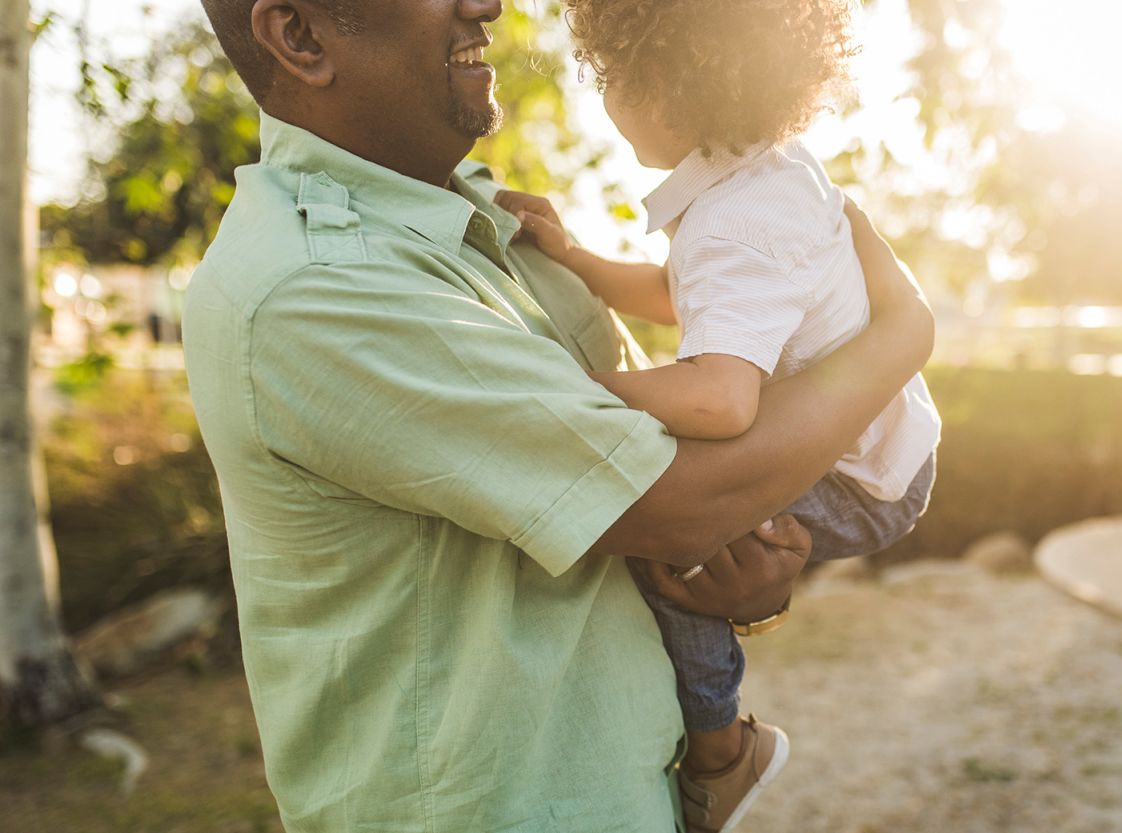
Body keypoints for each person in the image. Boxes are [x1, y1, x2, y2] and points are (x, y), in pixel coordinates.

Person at [183, 1, 934, 832]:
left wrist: (744, 574)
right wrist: (901, 339)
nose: (487, 5)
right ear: (299, 36)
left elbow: (686, 447)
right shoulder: (319, 286)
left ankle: (719, 746)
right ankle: (724, 749)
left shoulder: (487, 217)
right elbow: (682, 497)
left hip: (620, 790)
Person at [494, 1, 941, 830]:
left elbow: (720, 397)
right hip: (892, 444)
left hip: (862, 478)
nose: (603, 95)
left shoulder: (735, 223)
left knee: (676, 544)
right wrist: (579, 260)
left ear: (660, 84)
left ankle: (721, 749)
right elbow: (686, 299)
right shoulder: (765, 172)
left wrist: (570, 383)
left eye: (610, 77)